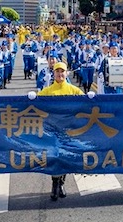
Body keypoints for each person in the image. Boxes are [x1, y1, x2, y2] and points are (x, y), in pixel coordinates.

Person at [37, 61, 84, 201]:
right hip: (53, 130)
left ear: (66, 73)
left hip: (68, 130)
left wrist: (92, 97)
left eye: (62, 71)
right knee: (54, 157)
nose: (60, 74)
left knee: (65, 157)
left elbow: (86, 103)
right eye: (57, 71)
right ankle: (54, 185)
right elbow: (35, 103)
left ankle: (62, 183)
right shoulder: (48, 91)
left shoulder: (73, 90)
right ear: (54, 73)